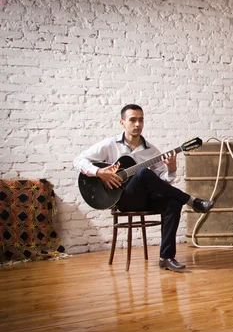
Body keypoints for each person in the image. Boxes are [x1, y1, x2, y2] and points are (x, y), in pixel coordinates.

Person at [74, 104, 214, 272]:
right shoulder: (110, 145)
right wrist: (98, 172)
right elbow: (79, 160)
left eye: (141, 120)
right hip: (122, 199)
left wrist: (171, 168)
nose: (137, 124)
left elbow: (163, 182)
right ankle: (192, 200)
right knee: (142, 172)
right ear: (122, 122)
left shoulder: (151, 150)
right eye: (132, 120)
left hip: (146, 198)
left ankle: (166, 257)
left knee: (173, 202)